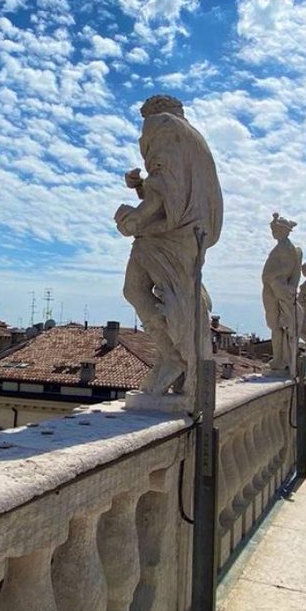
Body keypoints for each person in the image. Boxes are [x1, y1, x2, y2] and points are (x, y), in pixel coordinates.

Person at [116, 95, 223, 400]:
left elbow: (164, 186)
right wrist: (139, 186)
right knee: (178, 296)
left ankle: (173, 357)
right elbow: (174, 191)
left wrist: (135, 219)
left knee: (136, 290)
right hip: (187, 235)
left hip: (164, 237)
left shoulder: (162, 126)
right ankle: (176, 357)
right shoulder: (195, 142)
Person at [261, 213, 302, 373]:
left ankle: (281, 359)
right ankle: (279, 358)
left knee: (279, 325)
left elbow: (284, 271)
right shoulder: (283, 247)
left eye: (275, 229)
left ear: (284, 230)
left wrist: (274, 282)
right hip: (274, 289)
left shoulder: (286, 248)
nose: (273, 232)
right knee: (276, 325)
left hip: (277, 290)